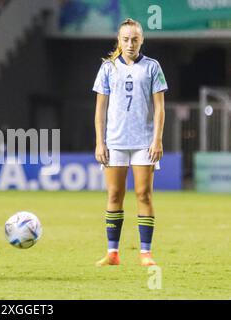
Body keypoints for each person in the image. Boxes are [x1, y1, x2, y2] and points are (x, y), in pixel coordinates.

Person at [92, 18, 167, 267]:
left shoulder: (152, 67)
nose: (130, 43)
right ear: (119, 40)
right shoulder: (108, 68)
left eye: (135, 39)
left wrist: (157, 139)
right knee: (114, 194)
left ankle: (145, 253)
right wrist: (99, 143)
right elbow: (100, 110)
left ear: (142, 40)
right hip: (115, 141)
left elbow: (159, 108)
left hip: (144, 142)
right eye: (125, 39)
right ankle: (113, 253)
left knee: (143, 194)